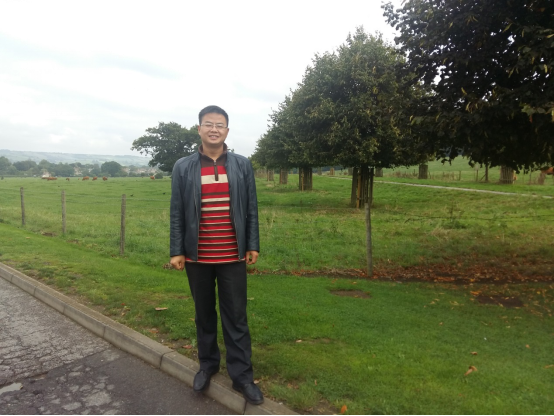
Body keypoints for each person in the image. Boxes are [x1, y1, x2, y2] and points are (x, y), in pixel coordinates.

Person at [169, 105, 263, 405]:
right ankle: (207, 365)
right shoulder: (183, 167)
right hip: (197, 257)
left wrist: (252, 244)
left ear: (226, 131)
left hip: (232, 256)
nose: (214, 129)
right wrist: (177, 250)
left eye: (219, 125)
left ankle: (242, 377)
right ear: (199, 129)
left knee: (236, 316)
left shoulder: (241, 165)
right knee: (204, 315)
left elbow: (251, 208)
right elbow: (177, 211)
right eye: (208, 124)